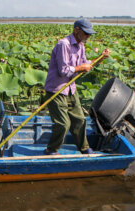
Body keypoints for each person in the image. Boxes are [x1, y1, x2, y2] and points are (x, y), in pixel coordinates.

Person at [44, 18, 110, 155]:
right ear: (77, 30)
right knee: (63, 124)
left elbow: (86, 65)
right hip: (57, 89)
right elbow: (63, 70)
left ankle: (84, 148)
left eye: (90, 34)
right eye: (86, 33)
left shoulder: (81, 45)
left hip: (70, 89)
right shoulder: (64, 44)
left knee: (79, 119)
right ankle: (51, 150)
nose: (88, 37)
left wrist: (100, 58)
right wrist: (81, 67)